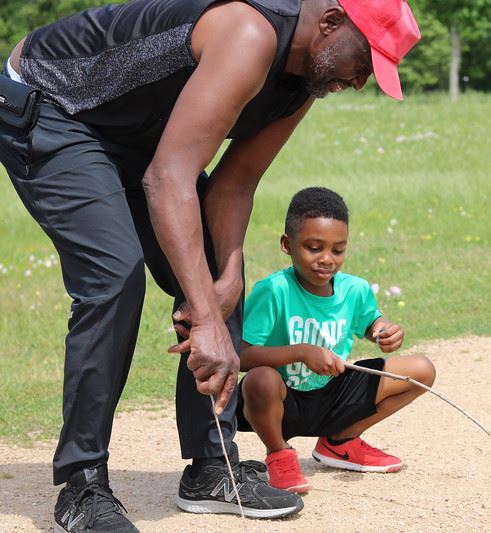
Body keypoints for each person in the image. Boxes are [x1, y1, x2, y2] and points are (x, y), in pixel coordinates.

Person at [0, 0, 421, 531]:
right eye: (365, 59)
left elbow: (235, 182)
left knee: (223, 274)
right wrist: (203, 316)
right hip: (54, 104)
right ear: (332, 23)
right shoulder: (249, 32)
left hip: (140, 139)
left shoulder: (305, 78)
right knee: (115, 275)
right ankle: (82, 485)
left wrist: (225, 279)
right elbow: (169, 178)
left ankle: (210, 467)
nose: (360, 81)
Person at [236, 186, 435, 494]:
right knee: (258, 379)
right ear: (287, 244)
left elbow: (370, 322)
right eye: (314, 248)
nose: (327, 259)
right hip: (281, 400)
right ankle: (278, 454)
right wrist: (301, 352)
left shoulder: (354, 290)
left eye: (338, 250)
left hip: (333, 393)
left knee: (421, 370)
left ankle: (340, 442)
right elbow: (240, 355)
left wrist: (383, 330)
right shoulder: (274, 290)